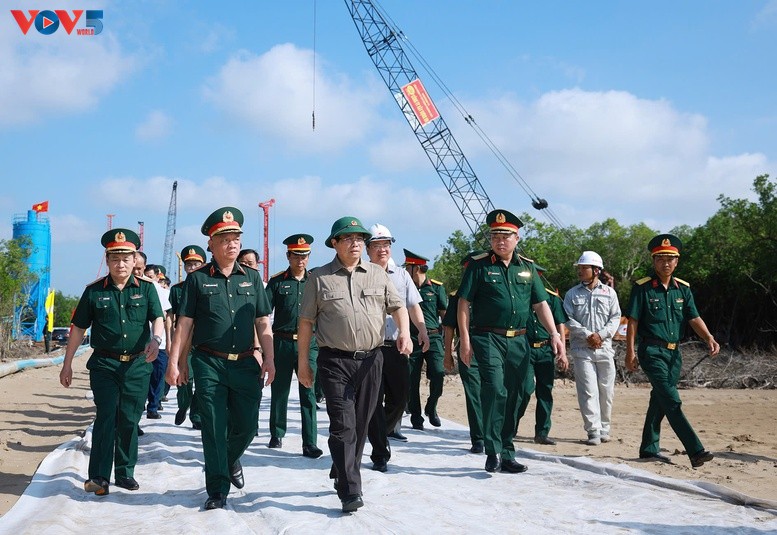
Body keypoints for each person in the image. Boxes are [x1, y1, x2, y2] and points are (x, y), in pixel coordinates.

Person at [297, 216, 411, 513]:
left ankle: (342, 468)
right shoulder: (319, 278)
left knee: (360, 425)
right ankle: (350, 490)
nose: (356, 243)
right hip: (334, 361)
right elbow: (306, 322)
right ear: (334, 243)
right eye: (348, 238)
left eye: (360, 238)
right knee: (343, 425)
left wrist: (406, 333)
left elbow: (398, 306)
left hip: (372, 360)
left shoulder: (377, 274)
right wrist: (303, 363)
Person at [166, 207, 275, 511]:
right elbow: (184, 325)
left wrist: (269, 358)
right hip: (209, 363)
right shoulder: (198, 280)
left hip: (245, 362)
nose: (232, 244)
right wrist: (175, 362)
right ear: (211, 245)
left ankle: (225, 460)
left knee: (248, 426)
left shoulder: (252, 278)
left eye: (236, 238)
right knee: (214, 426)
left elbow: (263, 321)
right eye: (225, 239)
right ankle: (217, 489)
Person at [457, 209, 566, 474]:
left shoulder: (527, 267)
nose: (500, 241)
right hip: (487, 337)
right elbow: (463, 303)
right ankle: (493, 450)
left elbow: (541, 304)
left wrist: (554, 334)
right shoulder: (479, 266)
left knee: (521, 392)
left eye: (505, 236)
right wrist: (465, 340)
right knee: (496, 389)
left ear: (517, 238)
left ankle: (507, 452)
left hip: (519, 340)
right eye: (495, 236)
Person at [59, 228, 165, 496]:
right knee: (106, 416)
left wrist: (156, 340)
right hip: (105, 365)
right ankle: (99, 476)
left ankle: (125, 472)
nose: (121, 264)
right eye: (115, 259)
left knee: (129, 418)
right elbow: (78, 328)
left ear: (134, 260)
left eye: (126, 259)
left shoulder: (147, 288)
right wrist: (67, 363)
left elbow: (158, 318)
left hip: (138, 365)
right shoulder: (94, 291)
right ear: (107, 261)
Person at [624, 234, 719, 468]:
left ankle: (648, 448)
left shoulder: (683, 289)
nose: (665, 263)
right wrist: (630, 352)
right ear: (654, 261)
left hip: (674, 354)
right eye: (660, 259)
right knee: (672, 400)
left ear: (676, 262)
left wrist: (708, 337)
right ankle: (695, 451)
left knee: (659, 399)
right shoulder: (643, 288)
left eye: (670, 259)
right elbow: (633, 321)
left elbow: (694, 317)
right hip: (651, 351)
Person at [364, 224, 428, 473]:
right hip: (370, 348)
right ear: (368, 249)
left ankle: (381, 431)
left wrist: (421, 330)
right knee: (373, 400)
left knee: (401, 398)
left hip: (396, 347)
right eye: (377, 245)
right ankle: (380, 451)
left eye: (386, 244)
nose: (383, 249)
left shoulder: (401, 275)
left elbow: (412, 305)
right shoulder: (360, 273)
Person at [265, 233, 322, 458]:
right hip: (282, 341)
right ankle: (277, 432)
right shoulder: (277, 282)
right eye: (296, 256)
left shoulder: (315, 282)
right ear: (288, 256)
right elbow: (263, 312)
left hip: (309, 344)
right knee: (280, 390)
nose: (301, 260)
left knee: (308, 392)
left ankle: (310, 442)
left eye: (304, 256)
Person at [563, 251, 620, 445]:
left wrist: (601, 335)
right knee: (588, 390)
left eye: (584, 267)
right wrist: (588, 335)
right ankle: (593, 430)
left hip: (604, 349)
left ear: (596, 270)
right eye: (579, 268)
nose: (580, 271)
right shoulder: (572, 294)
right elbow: (568, 319)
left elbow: (615, 317)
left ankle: (605, 429)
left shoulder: (609, 293)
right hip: (582, 350)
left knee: (606, 391)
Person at [516, 265, 569, 445]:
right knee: (524, 390)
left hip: (546, 349)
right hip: (525, 349)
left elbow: (560, 325)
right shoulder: (520, 295)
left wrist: (562, 351)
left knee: (545, 391)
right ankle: (511, 426)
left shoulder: (551, 298)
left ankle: (542, 432)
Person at [442, 252, 484, 453]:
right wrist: (448, 354)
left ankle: (495, 432)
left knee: (499, 391)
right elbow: (449, 326)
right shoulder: (457, 296)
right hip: (468, 349)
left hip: (494, 346)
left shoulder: (492, 291)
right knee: (474, 393)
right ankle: (479, 437)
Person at [403, 249, 448, 430]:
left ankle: (431, 406)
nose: (405, 270)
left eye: (408, 267)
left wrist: (449, 340)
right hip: (412, 337)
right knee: (411, 379)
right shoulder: (405, 287)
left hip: (434, 336)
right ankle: (416, 415)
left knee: (438, 373)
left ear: (417, 268)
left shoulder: (436, 288)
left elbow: (444, 315)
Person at [170, 245, 206, 430]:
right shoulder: (177, 290)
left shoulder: (207, 285)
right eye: (189, 264)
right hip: (184, 341)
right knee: (184, 380)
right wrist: (170, 341)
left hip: (203, 340)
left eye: (196, 264)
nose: (192, 268)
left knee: (201, 381)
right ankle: (183, 405)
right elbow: (171, 318)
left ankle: (196, 415)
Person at [142, 263, 172, 420]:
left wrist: (168, 340)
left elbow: (167, 319)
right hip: (141, 343)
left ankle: (153, 406)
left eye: (151, 276)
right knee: (142, 376)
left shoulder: (163, 292)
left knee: (158, 375)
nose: (147, 278)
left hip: (159, 342)